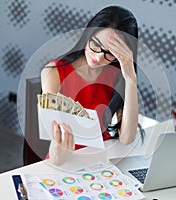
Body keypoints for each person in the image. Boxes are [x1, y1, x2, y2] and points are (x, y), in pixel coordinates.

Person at [40, 5, 140, 165]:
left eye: (110, 53)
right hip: (65, 155)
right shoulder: (54, 72)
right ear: (88, 34)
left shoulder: (115, 76)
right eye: (95, 45)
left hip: (103, 156)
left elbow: (127, 138)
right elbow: (57, 148)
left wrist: (131, 78)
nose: (99, 57)